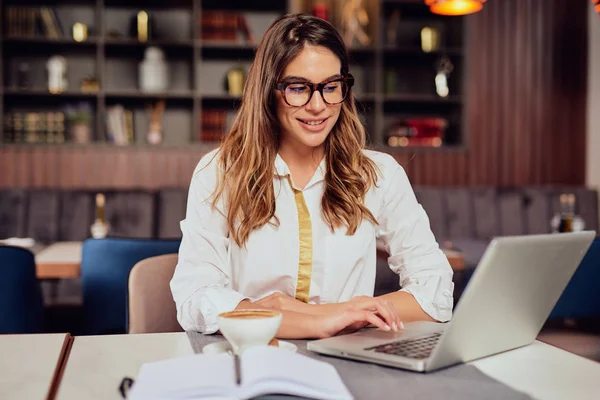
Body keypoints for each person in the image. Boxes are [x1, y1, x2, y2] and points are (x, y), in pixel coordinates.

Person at [170, 14, 454, 339]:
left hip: (349, 362)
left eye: (331, 87)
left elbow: (437, 292)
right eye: (298, 88)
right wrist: (319, 322)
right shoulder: (220, 172)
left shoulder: (379, 174)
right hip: (252, 357)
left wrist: (339, 315)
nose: (318, 105)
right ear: (268, 91)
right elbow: (194, 297)